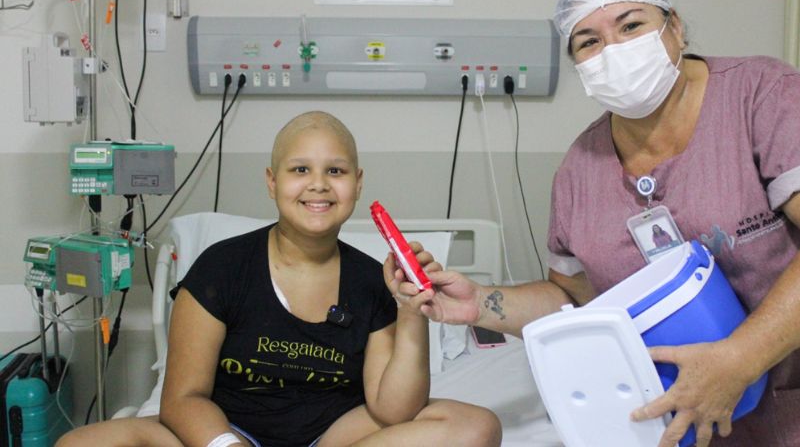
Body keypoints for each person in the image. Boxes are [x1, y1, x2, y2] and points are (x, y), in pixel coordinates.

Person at [413, 0, 800, 447]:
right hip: (688, 423)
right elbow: (576, 302)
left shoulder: (766, 97)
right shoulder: (580, 172)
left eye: (631, 26)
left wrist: (739, 359)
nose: (614, 50)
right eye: (589, 41)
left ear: (675, 27)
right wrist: (481, 303)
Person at [57, 111, 501, 447]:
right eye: (300, 169)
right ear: (272, 182)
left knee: (475, 426)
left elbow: (393, 411)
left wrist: (411, 310)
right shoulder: (222, 268)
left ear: (358, 183)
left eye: (336, 171)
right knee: (79, 444)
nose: (319, 185)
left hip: (333, 435)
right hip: (229, 429)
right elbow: (183, 398)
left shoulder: (372, 282)